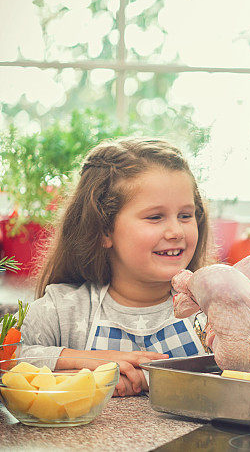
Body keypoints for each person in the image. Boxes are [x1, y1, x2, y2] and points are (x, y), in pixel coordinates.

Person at [22, 138, 213, 396]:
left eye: (185, 215)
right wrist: (80, 366)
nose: (176, 231)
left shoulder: (213, 309)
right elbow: (12, 357)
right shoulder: (61, 310)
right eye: (155, 217)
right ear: (103, 229)